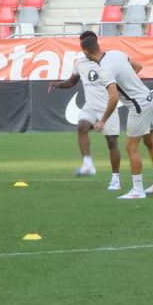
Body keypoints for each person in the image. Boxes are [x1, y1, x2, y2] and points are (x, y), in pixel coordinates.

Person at [87, 32, 153, 199]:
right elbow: (138, 66)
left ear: (86, 52)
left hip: (138, 105)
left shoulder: (105, 70)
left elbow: (113, 98)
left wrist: (102, 121)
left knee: (131, 146)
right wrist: (130, 83)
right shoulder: (116, 53)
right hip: (149, 97)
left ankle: (137, 190)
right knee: (149, 141)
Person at [49, 30, 122, 190]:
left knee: (111, 142)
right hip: (90, 105)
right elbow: (72, 82)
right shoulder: (80, 63)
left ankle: (116, 179)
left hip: (107, 105)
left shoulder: (109, 60)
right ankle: (88, 165)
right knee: (81, 127)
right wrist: (58, 84)